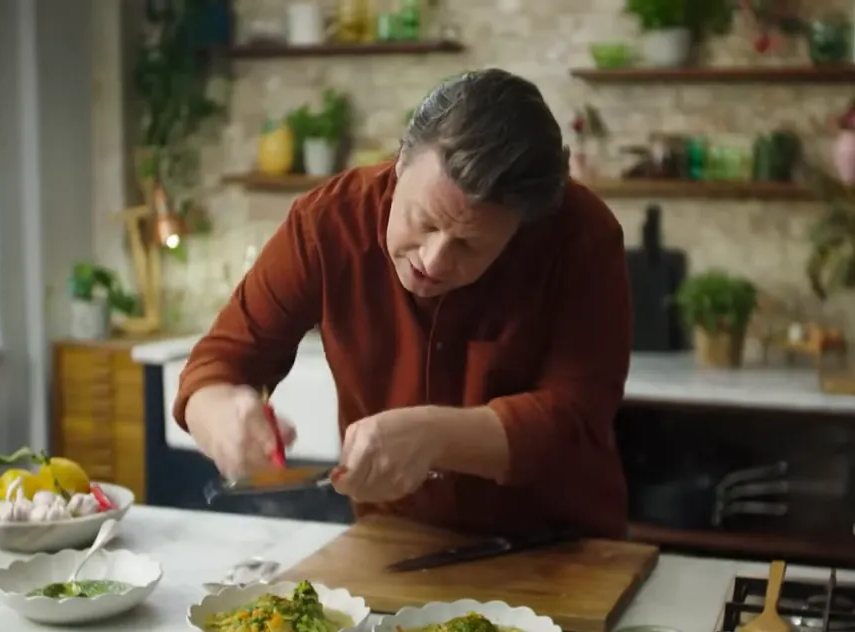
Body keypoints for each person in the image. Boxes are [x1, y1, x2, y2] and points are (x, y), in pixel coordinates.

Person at [175, 69, 632, 539]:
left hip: (563, 546)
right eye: (425, 222)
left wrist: (438, 437)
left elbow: (577, 416)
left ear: (522, 226)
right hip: (397, 542)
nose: (433, 261)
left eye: (470, 245)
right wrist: (218, 410)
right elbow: (218, 363)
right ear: (399, 165)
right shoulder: (326, 223)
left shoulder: (582, 237)